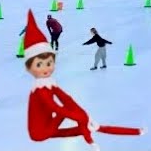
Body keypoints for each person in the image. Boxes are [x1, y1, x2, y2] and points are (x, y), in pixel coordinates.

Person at [21, 10, 142, 142]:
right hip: (42, 131)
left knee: (98, 57)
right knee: (100, 57)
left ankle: (98, 65)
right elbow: (56, 105)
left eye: (49, 62)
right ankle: (100, 65)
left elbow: (61, 102)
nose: (46, 68)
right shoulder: (42, 88)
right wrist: (80, 117)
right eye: (39, 65)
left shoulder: (47, 85)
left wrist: (81, 117)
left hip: (45, 129)